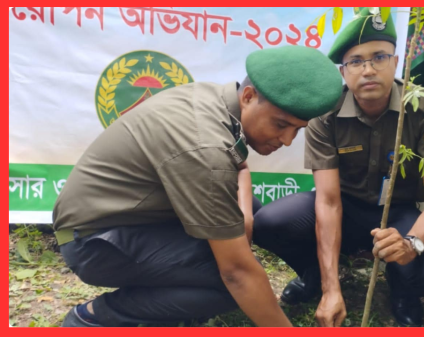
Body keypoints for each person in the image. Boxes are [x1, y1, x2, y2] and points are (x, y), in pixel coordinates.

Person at [52, 45, 343, 327]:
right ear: (249, 97)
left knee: (244, 216)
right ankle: (96, 316)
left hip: (124, 218)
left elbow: (238, 166)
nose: (287, 140)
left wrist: (244, 217)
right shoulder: (204, 145)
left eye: (298, 129)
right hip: (94, 242)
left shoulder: (215, 101)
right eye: (281, 125)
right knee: (233, 284)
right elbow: (238, 274)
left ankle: (176, 300)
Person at [253, 8, 424, 327]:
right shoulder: (327, 113)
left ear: (395, 61)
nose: (368, 70)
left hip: (399, 214)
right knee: (269, 222)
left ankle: (402, 291)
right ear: (342, 71)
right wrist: (330, 288)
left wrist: (411, 243)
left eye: (379, 57)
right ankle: (314, 274)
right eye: (355, 61)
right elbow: (328, 200)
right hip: (345, 207)